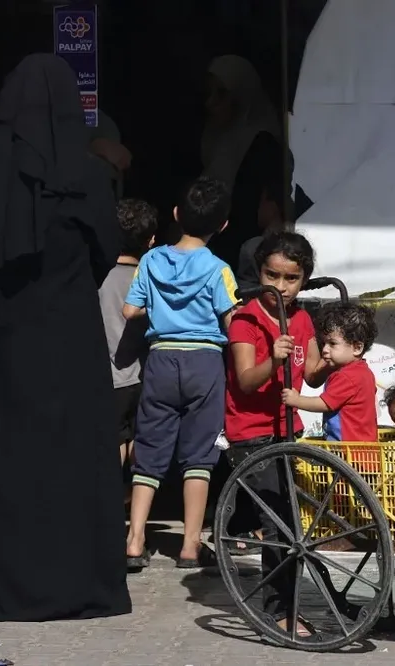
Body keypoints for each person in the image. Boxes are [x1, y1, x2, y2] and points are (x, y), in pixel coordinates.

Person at [0, 54, 131, 621]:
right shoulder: (88, 178)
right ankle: (69, 582)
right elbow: (102, 255)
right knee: (67, 458)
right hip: (65, 338)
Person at [123, 176, 238, 571]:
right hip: (204, 362)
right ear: (222, 226)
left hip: (160, 360)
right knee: (199, 456)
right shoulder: (219, 268)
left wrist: (157, 309)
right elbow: (231, 321)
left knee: (149, 449)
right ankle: (190, 545)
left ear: (176, 215)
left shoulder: (152, 261)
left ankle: (135, 538)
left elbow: (129, 311)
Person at [224, 230, 330, 635]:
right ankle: (277, 609)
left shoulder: (303, 319)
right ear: (259, 272)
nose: (281, 287)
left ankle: (293, 598)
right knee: (276, 525)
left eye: (291, 279)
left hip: (290, 429)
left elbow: (315, 375)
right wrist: (273, 359)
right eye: (272, 276)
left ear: (304, 280)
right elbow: (247, 380)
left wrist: (343, 360)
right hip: (252, 434)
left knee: (293, 521)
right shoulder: (246, 319)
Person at [200, 55, 290, 268]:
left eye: (222, 94)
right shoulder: (215, 135)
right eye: (208, 93)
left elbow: (256, 212)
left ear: (241, 97)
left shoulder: (261, 142)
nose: (210, 103)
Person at [99, 199, 158, 470]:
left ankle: (112, 503)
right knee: (140, 439)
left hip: (109, 378)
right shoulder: (152, 279)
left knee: (113, 440)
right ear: (151, 241)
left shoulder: (97, 278)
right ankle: (137, 502)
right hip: (146, 374)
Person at [282, 302, 379, 442]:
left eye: (332, 344)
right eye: (324, 343)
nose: (325, 350)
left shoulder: (347, 376)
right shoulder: (363, 371)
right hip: (359, 449)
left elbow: (324, 404)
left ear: (357, 347)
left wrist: (296, 400)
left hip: (348, 451)